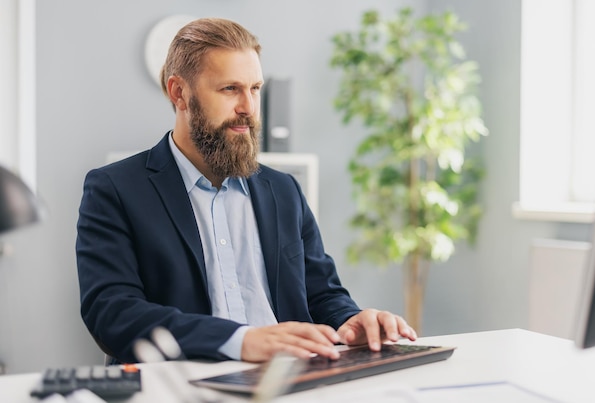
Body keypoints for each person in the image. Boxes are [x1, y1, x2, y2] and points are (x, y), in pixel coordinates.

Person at [76, 17, 416, 364]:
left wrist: (351, 320)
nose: (249, 108)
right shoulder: (115, 189)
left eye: (255, 88)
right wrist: (240, 341)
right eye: (230, 89)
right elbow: (112, 314)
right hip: (182, 386)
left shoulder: (284, 191)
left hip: (287, 382)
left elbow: (322, 294)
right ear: (179, 92)